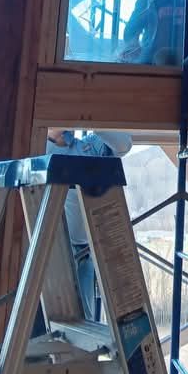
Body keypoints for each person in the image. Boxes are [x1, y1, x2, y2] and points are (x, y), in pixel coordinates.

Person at [43, 129, 134, 320]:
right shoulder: (41, 150)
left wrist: (93, 120)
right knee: (56, 318)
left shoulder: (87, 147)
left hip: (86, 251)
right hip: (55, 251)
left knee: (84, 319)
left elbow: (124, 144)